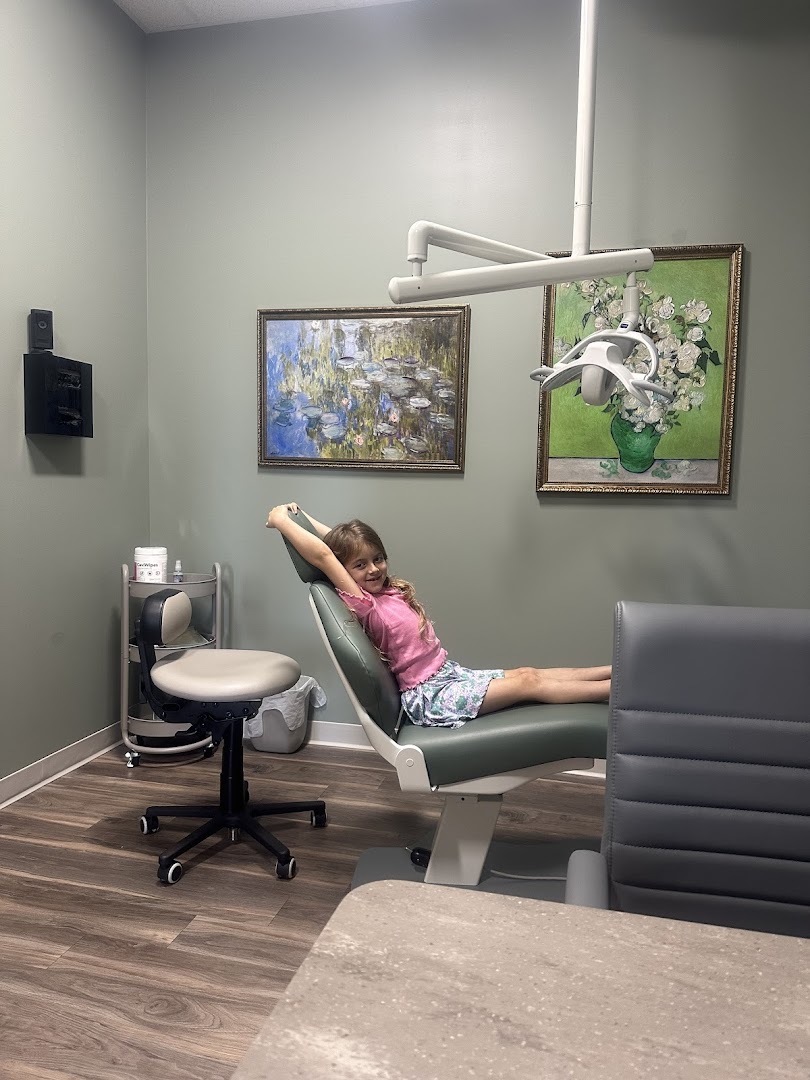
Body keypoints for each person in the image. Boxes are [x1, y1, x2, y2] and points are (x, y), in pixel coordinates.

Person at [266, 503, 610, 728]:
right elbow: (327, 556)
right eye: (360, 565)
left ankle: (614, 673)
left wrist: (304, 515)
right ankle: (617, 691)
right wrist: (282, 520)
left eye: (379, 558)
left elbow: (338, 548)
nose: (373, 569)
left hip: (449, 675)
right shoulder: (363, 603)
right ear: (345, 571)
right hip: (429, 696)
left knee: (528, 672)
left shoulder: (383, 590)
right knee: (528, 684)